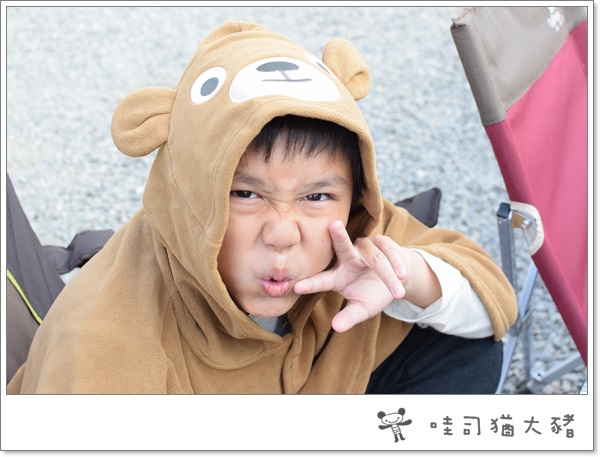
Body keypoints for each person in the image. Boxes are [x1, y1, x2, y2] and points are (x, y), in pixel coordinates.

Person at [7, 20, 517, 394]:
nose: (283, 233)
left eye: (316, 196)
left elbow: (493, 306)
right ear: (189, 193)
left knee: (462, 348)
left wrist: (405, 278)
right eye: (246, 194)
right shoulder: (104, 349)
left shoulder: (351, 240)